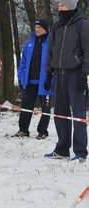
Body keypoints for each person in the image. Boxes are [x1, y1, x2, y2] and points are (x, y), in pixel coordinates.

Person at [44, 0, 89, 163]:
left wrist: (84, 76)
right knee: (60, 113)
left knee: (78, 114)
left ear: (70, 6)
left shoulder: (82, 25)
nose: (59, 8)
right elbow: (51, 51)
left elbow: (87, 51)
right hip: (59, 74)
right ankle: (62, 149)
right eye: (59, 5)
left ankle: (80, 151)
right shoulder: (56, 26)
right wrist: (48, 74)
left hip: (75, 75)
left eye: (62, 5)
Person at [12, 19, 52, 140]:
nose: (37, 29)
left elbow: (54, 63)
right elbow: (23, 62)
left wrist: (51, 78)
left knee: (45, 108)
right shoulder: (29, 43)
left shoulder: (52, 43)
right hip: (30, 82)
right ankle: (23, 130)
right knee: (25, 107)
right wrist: (20, 77)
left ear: (45, 28)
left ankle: (42, 131)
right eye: (36, 27)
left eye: (40, 27)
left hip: (45, 83)